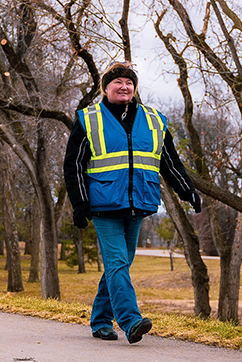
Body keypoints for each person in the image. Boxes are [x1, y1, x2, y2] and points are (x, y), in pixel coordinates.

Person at [63, 62, 201, 344]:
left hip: (139, 201)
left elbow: (169, 161)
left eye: (129, 82)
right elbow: (73, 164)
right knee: (116, 263)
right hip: (104, 204)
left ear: (134, 87)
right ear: (106, 87)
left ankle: (101, 321)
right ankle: (130, 320)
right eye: (117, 82)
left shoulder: (154, 119)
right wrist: (79, 203)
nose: (124, 86)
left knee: (121, 264)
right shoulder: (88, 118)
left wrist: (188, 190)